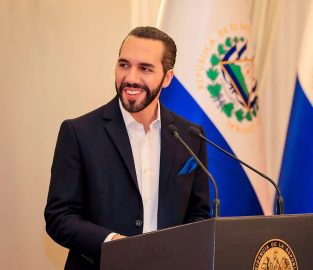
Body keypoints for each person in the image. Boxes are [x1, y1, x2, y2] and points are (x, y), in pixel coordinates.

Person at [44, 26, 211, 269]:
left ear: (167, 78)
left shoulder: (190, 136)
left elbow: (199, 215)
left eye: (145, 68)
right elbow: (59, 217)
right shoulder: (79, 133)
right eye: (124, 65)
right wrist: (113, 243)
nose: (131, 78)